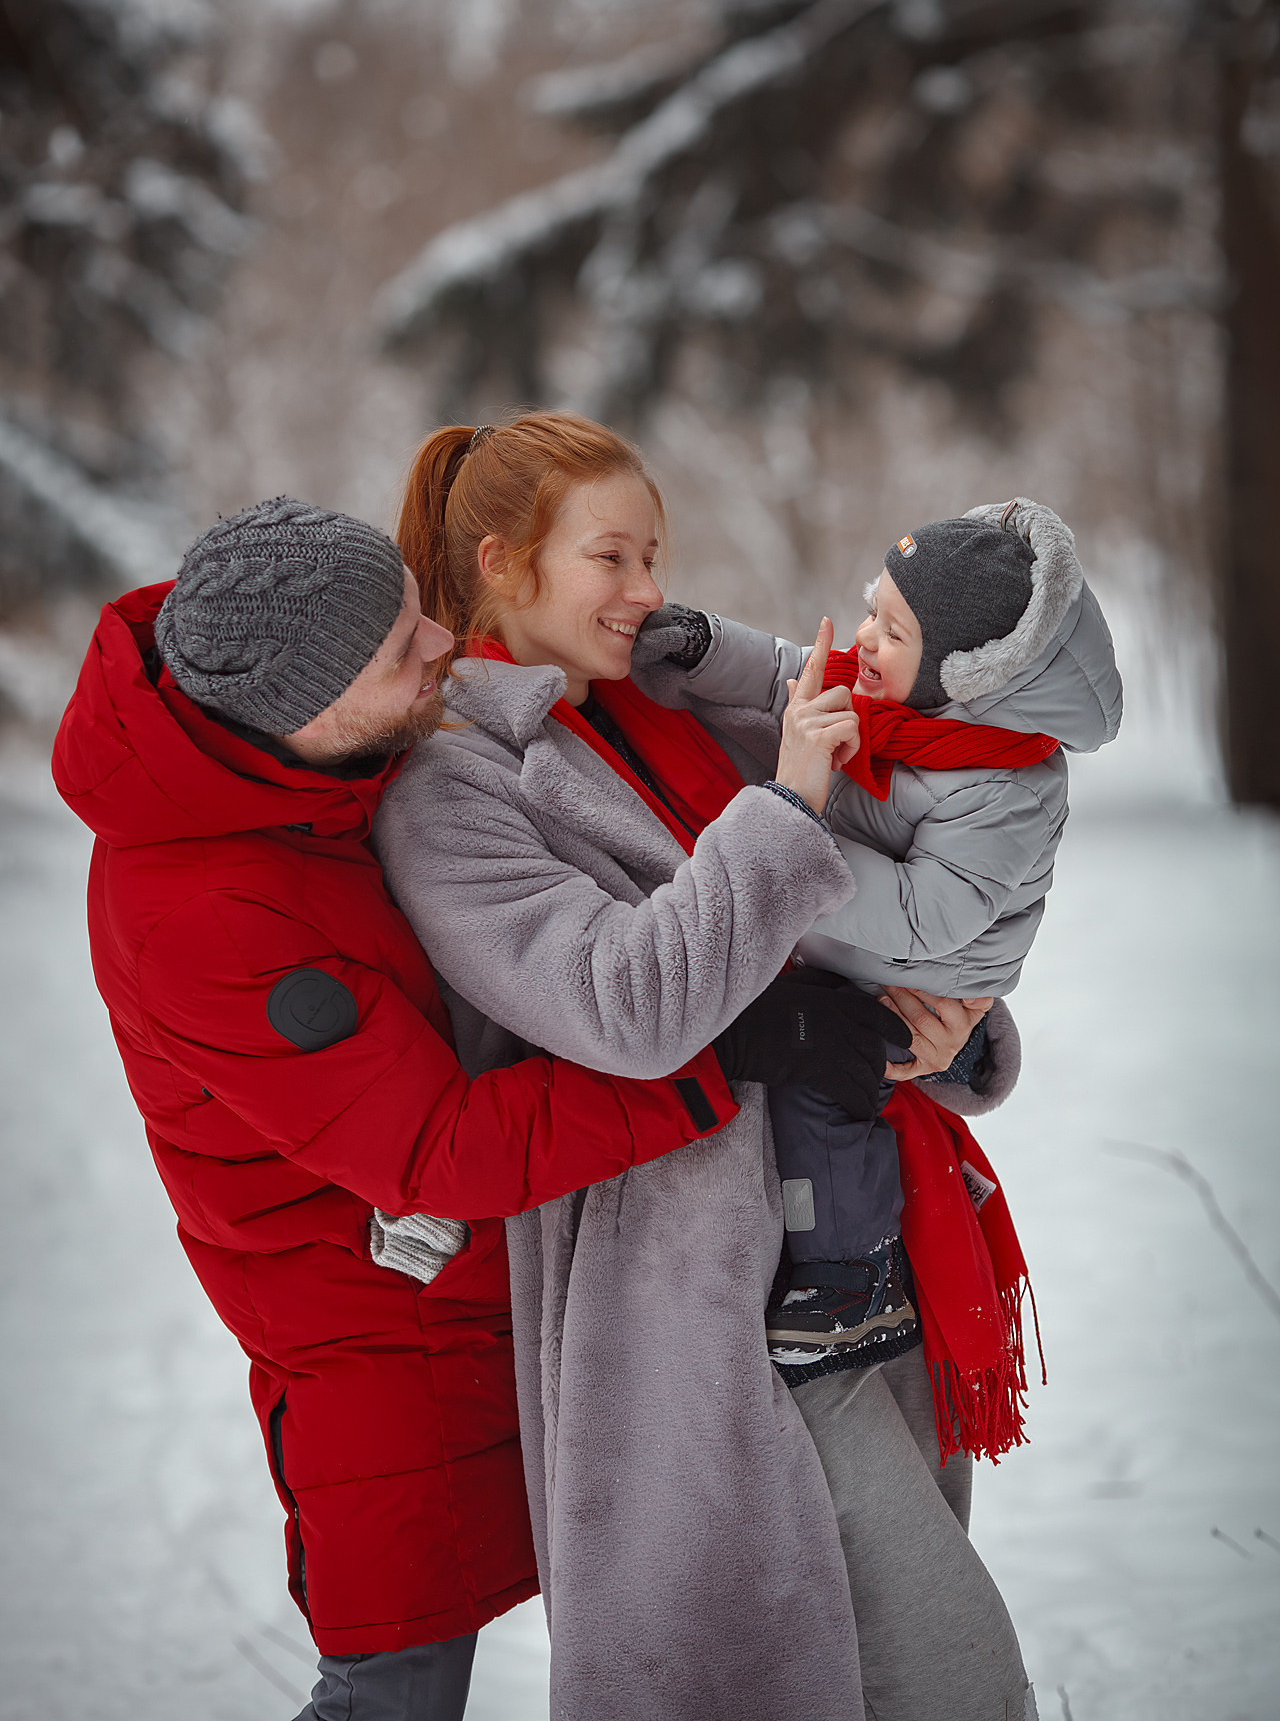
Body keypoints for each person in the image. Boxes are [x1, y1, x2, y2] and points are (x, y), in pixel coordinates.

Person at [50, 493, 902, 1721]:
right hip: (383, 1339)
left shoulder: (293, 753)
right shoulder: (208, 915)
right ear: (305, 711)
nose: (442, 644)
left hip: (492, 1287)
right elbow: (437, 1148)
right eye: (405, 649)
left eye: (415, 610)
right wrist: (724, 1053)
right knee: (393, 1691)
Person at [375, 412, 1038, 1721]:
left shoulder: (681, 716)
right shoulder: (455, 791)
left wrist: (953, 1030)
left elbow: (866, 924)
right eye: (611, 558)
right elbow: (624, 1007)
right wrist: (787, 799)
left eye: (656, 554)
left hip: (860, 1249)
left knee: (903, 1672)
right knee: (930, 1677)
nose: (650, 590)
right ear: (507, 565)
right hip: (690, 1302)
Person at [634, 501, 1122, 1391]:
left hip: (921, 990)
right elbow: (798, 673)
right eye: (872, 607)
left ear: (967, 674)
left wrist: (796, 832)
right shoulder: (908, 696)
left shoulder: (1004, 785)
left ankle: (851, 1279)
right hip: (867, 957)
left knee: (822, 1096)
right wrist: (706, 649)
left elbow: (925, 916)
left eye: (890, 628)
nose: (865, 636)